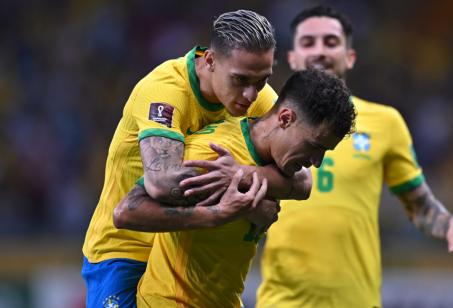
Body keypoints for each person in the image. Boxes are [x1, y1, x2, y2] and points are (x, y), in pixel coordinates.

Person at [81, 10, 312, 308]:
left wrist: (239, 174)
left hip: (185, 250)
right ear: (211, 61)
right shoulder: (164, 91)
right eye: (240, 80)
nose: (251, 94)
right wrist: (240, 205)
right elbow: (161, 182)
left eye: (262, 80)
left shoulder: (258, 96)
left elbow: (302, 180)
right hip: (126, 246)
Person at [257, 6, 453, 308]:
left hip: (357, 301)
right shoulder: (267, 117)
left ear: (350, 56)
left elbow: (417, 203)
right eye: (308, 42)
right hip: (281, 301)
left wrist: (449, 223)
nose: (319, 51)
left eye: (331, 42)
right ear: (293, 57)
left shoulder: (385, 122)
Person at [113, 69, 357, 307]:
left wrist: (240, 177)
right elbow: (127, 212)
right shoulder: (212, 152)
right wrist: (217, 215)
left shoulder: (277, 168)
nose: (317, 161)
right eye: (314, 146)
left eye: (325, 151)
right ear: (285, 118)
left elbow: (305, 188)